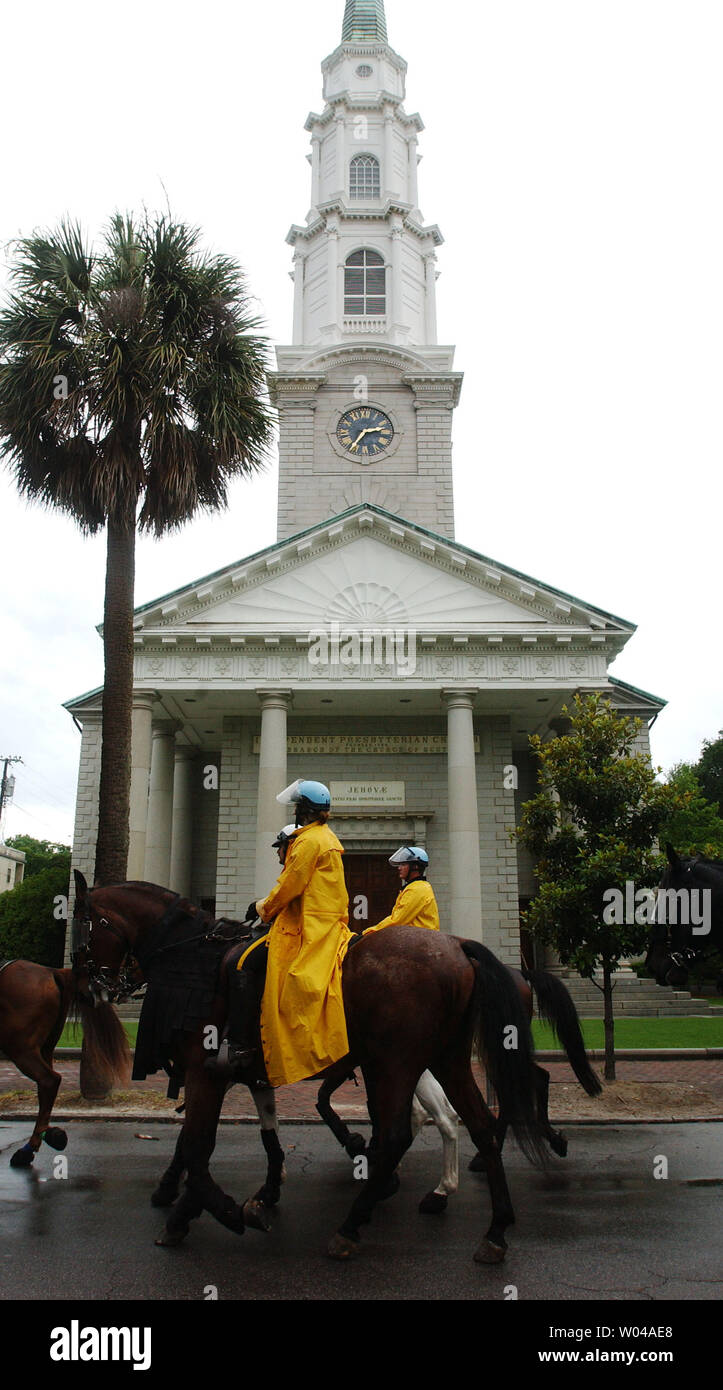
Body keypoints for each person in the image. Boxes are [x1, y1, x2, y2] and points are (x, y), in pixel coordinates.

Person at [208, 781, 353, 1087]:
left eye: (298, 807)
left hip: (305, 927)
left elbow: (289, 885)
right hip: (322, 922)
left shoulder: (308, 841)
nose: (296, 811)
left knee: (243, 963)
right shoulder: (326, 837)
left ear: (306, 810)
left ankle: (242, 1044)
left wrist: (260, 907)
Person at [363, 846, 440, 934]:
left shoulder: (416, 889)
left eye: (403, 864)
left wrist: (368, 933)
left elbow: (397, 920)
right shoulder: (418, 886)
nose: (399, 868)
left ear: (415, 867)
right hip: (420, 938)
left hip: (419, 941)